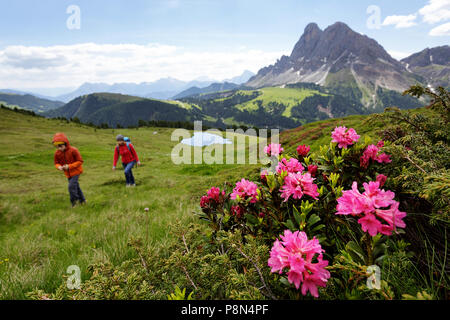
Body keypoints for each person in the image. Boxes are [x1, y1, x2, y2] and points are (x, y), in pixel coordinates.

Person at [52, 133, 86, 207]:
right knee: (76, 186)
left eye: (60, 146)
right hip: (67, 173)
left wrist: (69, 166)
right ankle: (83, 201)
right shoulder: (57, 153)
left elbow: (80, 161)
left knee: (71, 187)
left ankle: (74, 203)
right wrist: (59, 167)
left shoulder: (73, 150)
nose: (59, 148)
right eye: (57, 146)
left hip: (76, 171)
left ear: (65, 143)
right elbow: (56, 163)